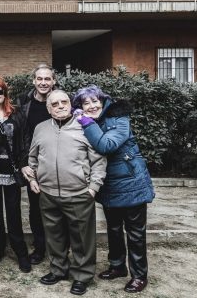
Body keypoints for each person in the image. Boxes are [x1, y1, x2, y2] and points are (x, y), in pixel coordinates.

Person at [72, 85, 155, 294]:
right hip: (109, 185)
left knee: (135, 233)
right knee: (114, 229)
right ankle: (118, 266)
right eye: (85, 103)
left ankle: (139, 276)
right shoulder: (92, 121)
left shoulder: (119, 119)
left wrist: (84, 121)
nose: (91, 106)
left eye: (94, 101)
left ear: (103, 100)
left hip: (131, 183)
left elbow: (106, 145)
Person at [26, 90, 107, 296]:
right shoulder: (41, 128)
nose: (60, 106)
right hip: (48, 193)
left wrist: (93, 188)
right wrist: (33, 178)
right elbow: (33, 158)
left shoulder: (86, 126)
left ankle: (82, 275)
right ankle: (58, 270)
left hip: (79, 193)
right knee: (54, 236)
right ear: (48, 108)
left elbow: (98, 160)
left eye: (64, 102)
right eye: (55, 104)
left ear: (71, 104)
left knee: (82, 238)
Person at [0, 75, 31, 272]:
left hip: (11, 169)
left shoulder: (16, 114)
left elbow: (25, 139)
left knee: (13, 213)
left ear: (4, 93)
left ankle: (21, 252)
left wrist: (25, 163)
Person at [17, 64, 57, 265]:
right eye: (39, 79)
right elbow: (20, 136)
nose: (43, 83)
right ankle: (40, 247)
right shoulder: (24, 102)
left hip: (57, 162)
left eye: (47, 79)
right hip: (34, 164)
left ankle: (60, 248)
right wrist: (24, 163)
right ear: (33, 81)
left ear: (53, 81)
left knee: (59, 208)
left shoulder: (60, 101)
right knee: (36, 208)